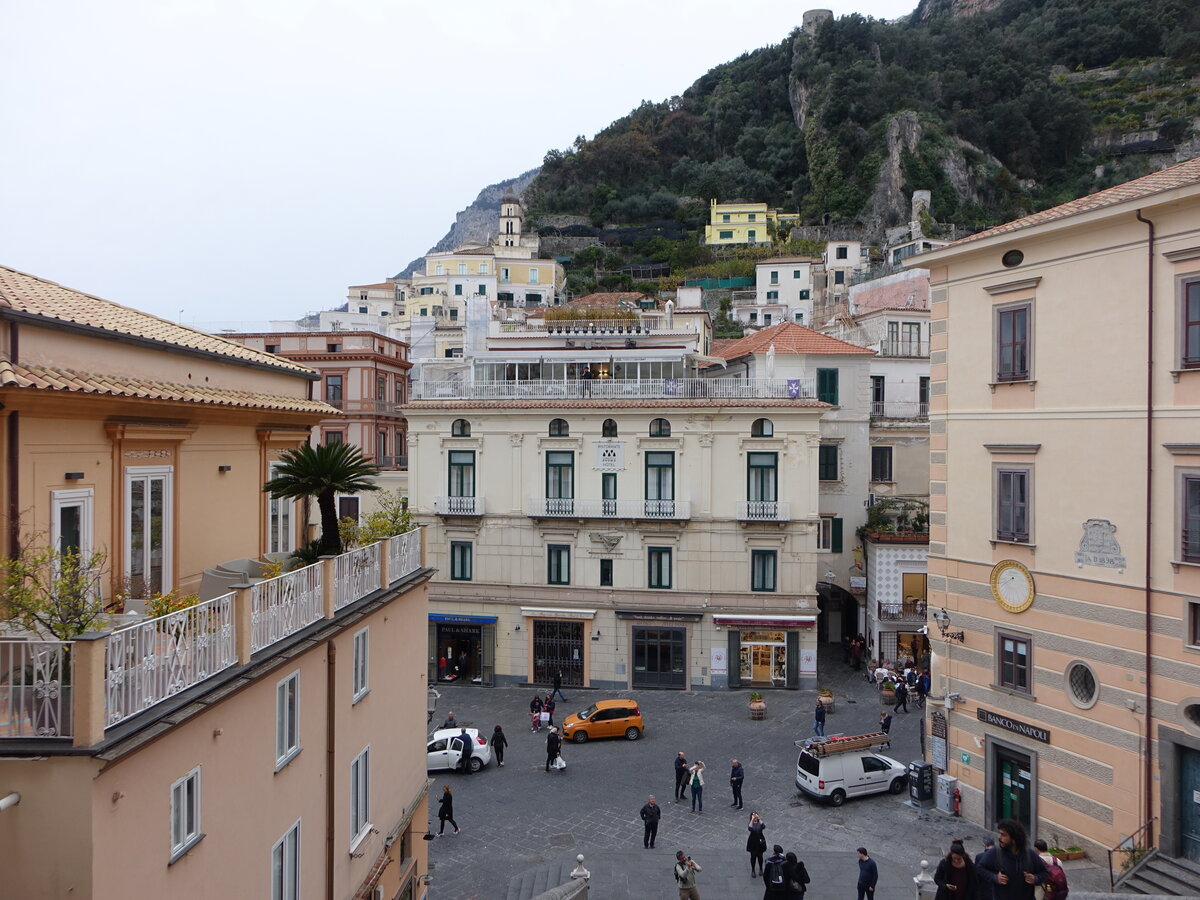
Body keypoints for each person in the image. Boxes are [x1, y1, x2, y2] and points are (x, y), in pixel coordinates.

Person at [975, 818, 1048, 900]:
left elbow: (1044, 873)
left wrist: (1035, 878)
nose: (999, 838)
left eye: (1003, 835)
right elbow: (980, 868)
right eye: (999, 834)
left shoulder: (1029, 854)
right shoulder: (995, 852)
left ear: (1014, 838)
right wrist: (995, 877)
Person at [745, 812, 767, 878]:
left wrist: (759, 818)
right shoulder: (751, 823)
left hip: (760, 840)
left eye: (755, 815)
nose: (755, 817)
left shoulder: (759, 822)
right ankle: (753, 870)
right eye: (753, 815)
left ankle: (761, 868)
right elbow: (750, 828)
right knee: (753, 856)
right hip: (753, 841)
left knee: (760, 856)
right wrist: (752, 819)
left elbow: (763, 826)